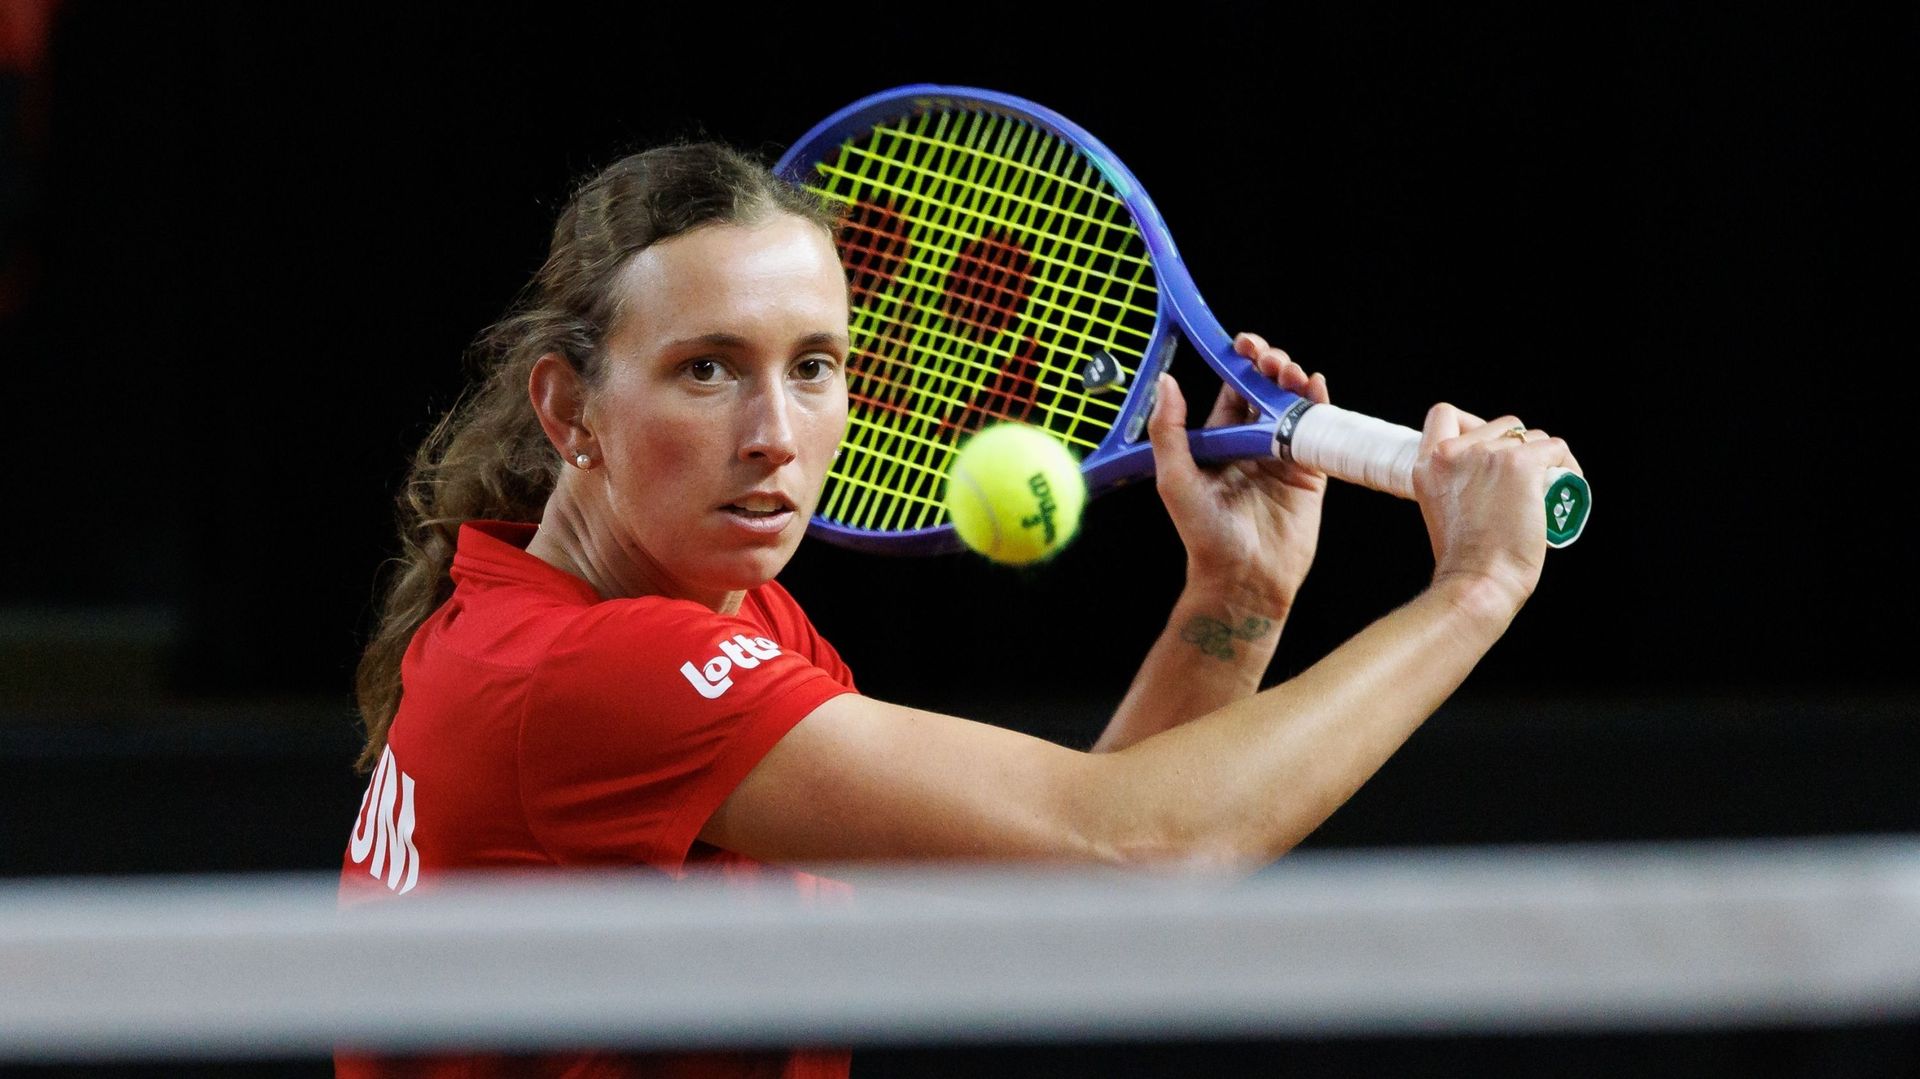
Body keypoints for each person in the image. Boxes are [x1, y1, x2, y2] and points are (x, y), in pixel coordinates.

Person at [337, 143, 1580, 1078]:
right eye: (705, 368)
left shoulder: (694, 614)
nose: (776, 435)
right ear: (568, 412)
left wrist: (1239, 595)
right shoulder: (595, 673)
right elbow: (1142, 853)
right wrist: (1476, 586)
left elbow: (1058, 904)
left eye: (813, 365)